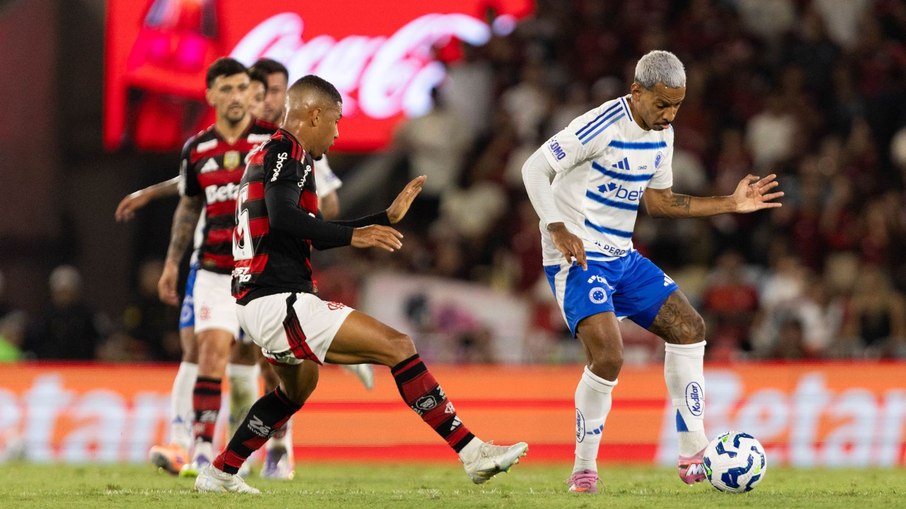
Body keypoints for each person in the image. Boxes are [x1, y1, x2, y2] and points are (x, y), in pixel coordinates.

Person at [194, 75, 528, 493]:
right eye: (334, 122)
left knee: (295, 391)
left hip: (260, 301)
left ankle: (221, 471)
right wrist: (355, 235)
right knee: (398, 346)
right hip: (279, 299)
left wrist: (382, 219)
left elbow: (305, 230)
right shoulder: (288, 150)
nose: (335, 135)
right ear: (314, 114)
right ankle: (472, 452)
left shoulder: (267, 153)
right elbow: (283, 217)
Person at [520, 50, 783, 494]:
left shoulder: (664, 135)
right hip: (578, 258)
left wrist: (730, 203)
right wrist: (557, 226)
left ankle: (693, 450)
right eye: (662, 104)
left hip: (622, 257)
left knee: (690, 327)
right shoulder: (599, 126)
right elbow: (534, 168)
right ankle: (584, 469)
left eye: (677, 105)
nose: (670, 114)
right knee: (608, 356)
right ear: (636, 91)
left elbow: (660, 203)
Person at [157, 57, 278, 476]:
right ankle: (203, 448)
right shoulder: (197, 149)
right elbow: (189, 208)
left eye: (241, 87)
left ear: (250, 92)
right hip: (212, 270)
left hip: (261, 273)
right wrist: (173, 264)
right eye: (225, 89)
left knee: (257, 362)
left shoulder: (273, 143)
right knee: (211, 351)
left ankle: (254, 449)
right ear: (210, 95)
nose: (234, 96)